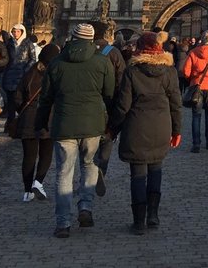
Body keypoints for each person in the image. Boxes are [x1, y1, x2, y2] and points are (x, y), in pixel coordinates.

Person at [35, 23, 115, 238]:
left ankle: (63, 223)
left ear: (72, 37)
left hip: (64, 125)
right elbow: (110, 95)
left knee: (64, 172)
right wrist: (113, 124)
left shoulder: (56, 63)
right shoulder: (102, 62)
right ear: (91, 39)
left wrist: (41, 123)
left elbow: (45, 99)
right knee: (89, 165)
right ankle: (85, 207)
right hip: (92, 124)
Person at [109, 32, 182, 235]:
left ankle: (139, 221)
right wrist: (177, 131)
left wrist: (113, 128)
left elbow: (123, 106)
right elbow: (176, 105)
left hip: (136, 127)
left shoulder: (132, 72)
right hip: (161, 127)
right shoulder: (169, 72)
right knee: (156, 170)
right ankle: (153, 215)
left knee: (138, 175)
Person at [12, 43, 61, 203]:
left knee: (28, 157)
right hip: (48, 118)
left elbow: (18, 96)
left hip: (28, 119)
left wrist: (22, 110)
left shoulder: (31, 72)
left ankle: (27, 191)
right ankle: (38, 182)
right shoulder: (56, 74)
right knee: (46, 154)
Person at [91, 21, 126, 197]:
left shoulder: (80, 51)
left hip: (85, 105)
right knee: (106, 140)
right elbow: (122, 82)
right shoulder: (113, 53)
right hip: (107, 105)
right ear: (106, 35)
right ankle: (100, 170)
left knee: (86, 143)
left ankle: (88, 173)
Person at [181, 30, 208, 152]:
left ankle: (196, 144)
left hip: (197, 86)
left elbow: (185, 71)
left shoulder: (193, 52)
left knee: (196, 116)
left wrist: (193, 79)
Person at [2, 23, 36, 125]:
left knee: (20, 100)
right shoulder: (9, 43)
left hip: (22, 75)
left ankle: (21, 123)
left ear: (22, 32)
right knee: (10, 101)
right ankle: (10, 123)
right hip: (10, 75)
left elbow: (33, 59)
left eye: (18, 31)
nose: (16, 33)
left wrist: (26, 70)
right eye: (14, 31)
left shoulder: (28, 43)